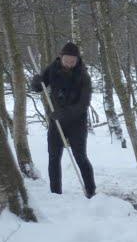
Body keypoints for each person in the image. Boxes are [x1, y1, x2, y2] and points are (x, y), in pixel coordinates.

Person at [31, 42, 96, 199]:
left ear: (77, 59)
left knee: (80, 156)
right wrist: (36, 81)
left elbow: (83, 104)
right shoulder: (52, 70)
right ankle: (55, 193)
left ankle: (91, 191)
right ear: (61, 57)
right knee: (53, 157)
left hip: (77, 123)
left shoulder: (83, 76)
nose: (70, 63)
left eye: (73, 60)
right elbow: (38, 88)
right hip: (56, 122)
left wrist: (64, 113)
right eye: (67, 59)